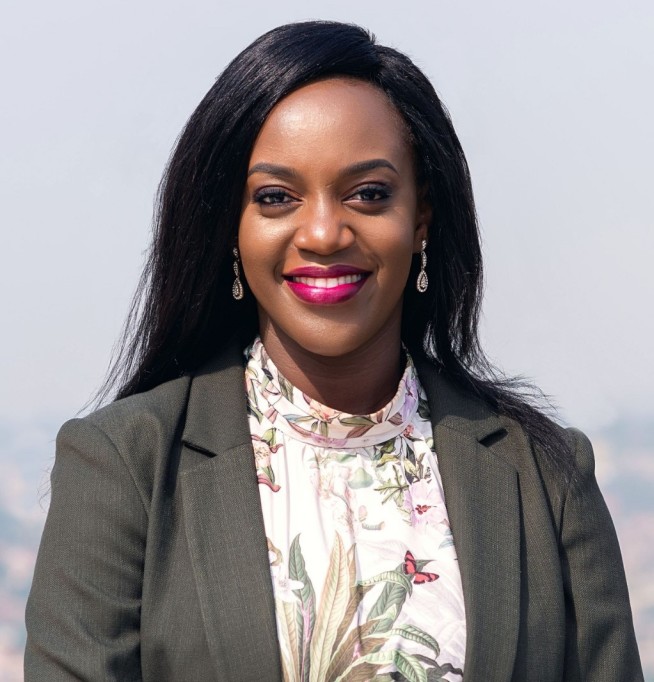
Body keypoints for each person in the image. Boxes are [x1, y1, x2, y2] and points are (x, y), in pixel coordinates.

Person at [25, 21, 643, 682]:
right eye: (275, 198)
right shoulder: (123, 468)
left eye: (369, 194)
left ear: (421, 217)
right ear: (231, 228)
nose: (323, 232)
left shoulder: (545, 479)